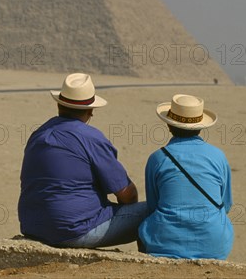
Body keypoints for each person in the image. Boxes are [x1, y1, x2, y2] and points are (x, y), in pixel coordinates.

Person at [18, 73, 148, 248]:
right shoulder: (90, 137)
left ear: (59, 104)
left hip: (33, 227)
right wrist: (125, 210)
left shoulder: (38, 134)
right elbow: (126, 193)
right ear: (91, 111)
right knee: (158, 211)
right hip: (74, 231)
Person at [138, 94, 234, 259]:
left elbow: (153, 206)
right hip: (214, 243)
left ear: (169, 125)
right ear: (200, 126)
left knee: (143, 224)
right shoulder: (218, 156)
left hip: (164, 241)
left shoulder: (157, 158)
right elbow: (226, 204)